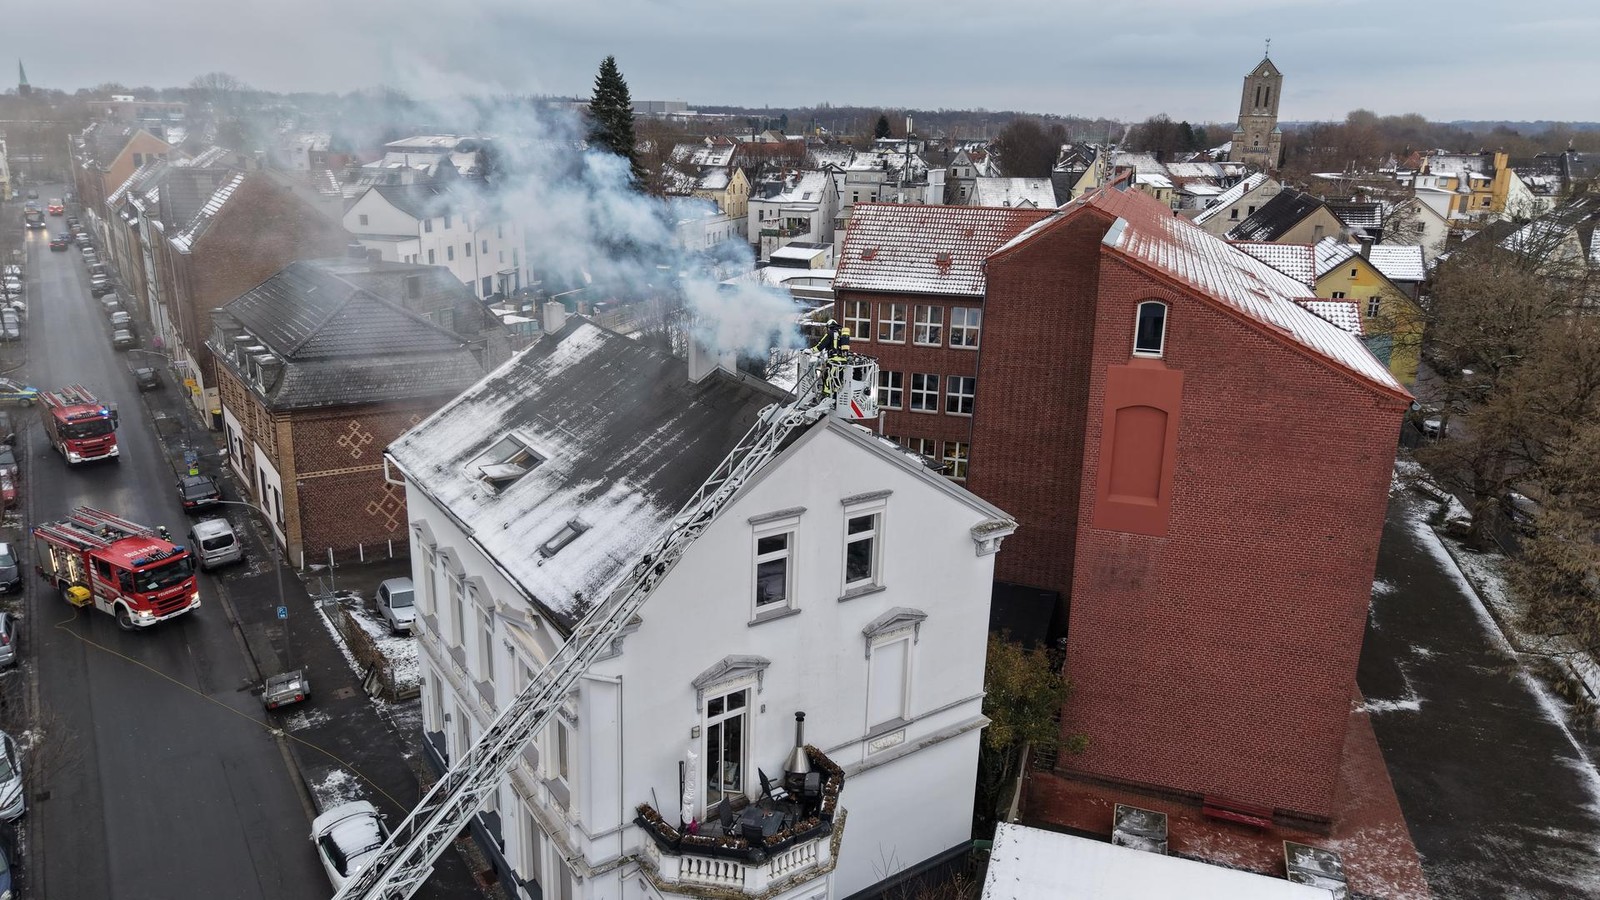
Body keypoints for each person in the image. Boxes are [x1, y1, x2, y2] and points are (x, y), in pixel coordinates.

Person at [813, 320, 852, 396]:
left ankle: (826, 397)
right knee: (838, 382)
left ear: (829, 326)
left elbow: (820, 346)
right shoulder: (842, 334)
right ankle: (835, 399)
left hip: (834, 362)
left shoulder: (830, 333)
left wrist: (810, 351)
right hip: (843, 362)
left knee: (828, 380)